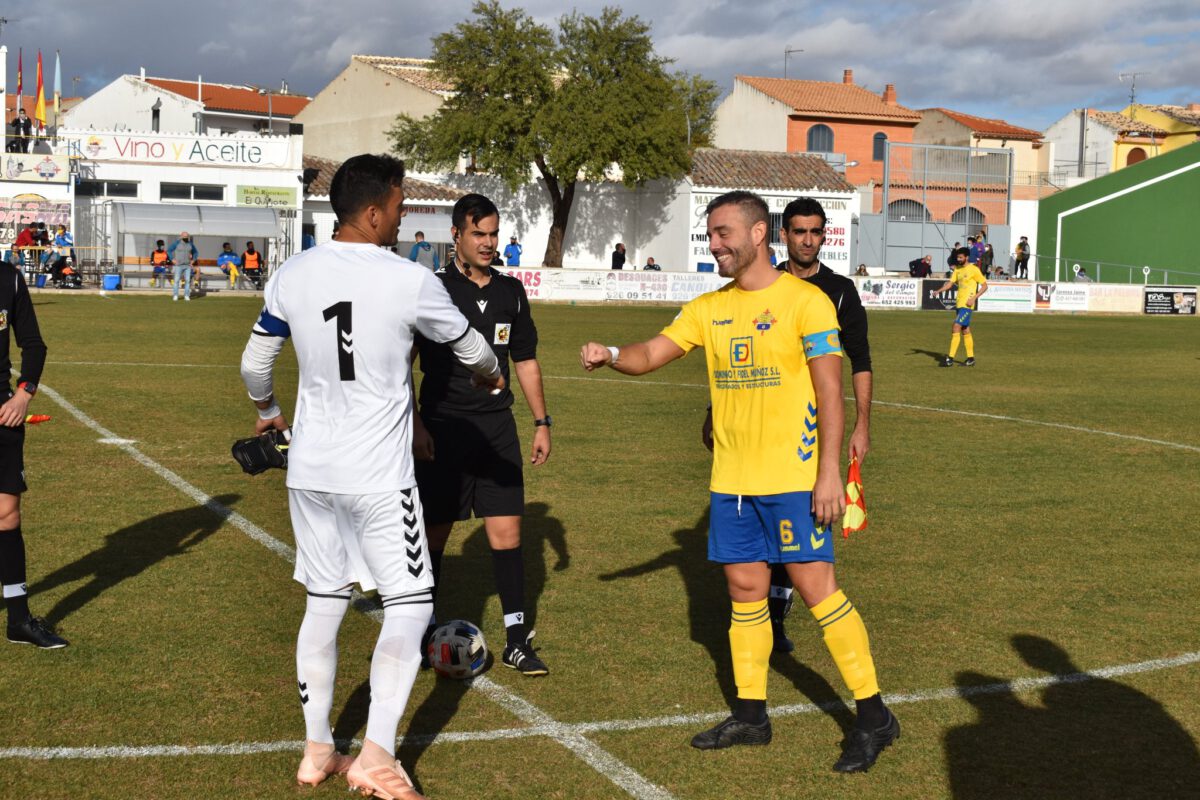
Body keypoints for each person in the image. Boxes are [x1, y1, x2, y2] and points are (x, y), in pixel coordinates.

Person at [583, 190, 897, 772]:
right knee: (746, 595)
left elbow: (830, 390)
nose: (715, 243)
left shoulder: (807, 302)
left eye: (724, 232)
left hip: (795, 479)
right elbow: (654, 351)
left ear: (758, 235)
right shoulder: (710, 307)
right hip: (732, 483)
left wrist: (829, 472)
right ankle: (752, 716)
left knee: (818, 592)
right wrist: (612, 354)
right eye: (710, 234)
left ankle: (875, 716)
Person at [239, 153, 504, 798]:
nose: (404, 210)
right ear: (373, 210)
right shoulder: (407, 278)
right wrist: (488, 371)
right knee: (411, 606)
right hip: (380, 478)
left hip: (309, 473)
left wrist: (270, 412)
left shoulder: (293, 273)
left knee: (325, 602)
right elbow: (471, 347)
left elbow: (254, 362)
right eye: (399, 199)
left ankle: (316, 750)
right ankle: (376, 756)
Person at [413, 193, 552, 677]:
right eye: (479, 234)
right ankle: (422, 631)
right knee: (434, 536)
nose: (489, 243)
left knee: (508, 534)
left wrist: (541, 422)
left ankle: (517, 641)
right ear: (456, 235)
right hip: (444, 429)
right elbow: (398, 367)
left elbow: (526, 360)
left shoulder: (512, 291)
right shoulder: (429, 289)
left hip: (496, 430)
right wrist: (416, 425)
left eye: (493, 234)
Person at [0, 255, 66, 648]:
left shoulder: (8, 279)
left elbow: (34, 345)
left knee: (7, 515)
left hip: (4, 415)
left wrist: (24, 394)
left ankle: (19, 620)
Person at [935, 246, 988, 367]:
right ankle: (971, 358)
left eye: (960, 257)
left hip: (967, 305)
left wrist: (974, 298)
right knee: (965, 330)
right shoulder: (957, 270)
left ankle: (950, 358)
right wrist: (939, 291)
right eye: (957, 257)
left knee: (956, 326)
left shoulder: (974, 269)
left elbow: (985, 286)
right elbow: (950, 284)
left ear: (966, 257)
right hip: (959, 304)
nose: (958, 259)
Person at [167, 232, 198, 302]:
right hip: (178, 265)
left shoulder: (190, 244)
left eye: (187, 236)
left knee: (187, 281)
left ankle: (186, 296)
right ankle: (175, 295)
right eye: (184, 236)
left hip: (187, 265)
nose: (185, 238)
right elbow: (169, 251)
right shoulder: (176, 243)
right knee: (176, 281)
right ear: (181, 236)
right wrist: (172, 259)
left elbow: (196, 252)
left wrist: (193, 260)